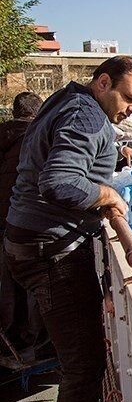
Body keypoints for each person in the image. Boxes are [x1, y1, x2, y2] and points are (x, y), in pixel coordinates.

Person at [3, 55, 132, 402]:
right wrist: (107, 194)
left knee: (79, 360)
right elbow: (60, 181)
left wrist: (113, 158)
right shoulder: (87, 115)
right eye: (129, 98)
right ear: (103, 83)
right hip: (52, 251)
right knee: (83, 368)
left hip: (30, 240)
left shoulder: (69, 100)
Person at [0, 92, 45, 351]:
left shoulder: (4, 135)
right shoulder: (36, 139)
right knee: (33, 281)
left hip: (4, 220)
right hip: (27, 219)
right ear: (37, 113)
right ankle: (34, 339)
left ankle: (12, 337)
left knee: (7, 281)